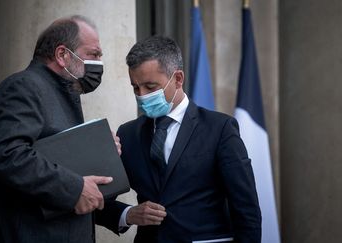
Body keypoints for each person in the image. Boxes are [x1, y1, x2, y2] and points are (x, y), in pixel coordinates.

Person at [97, 36, 261, 242]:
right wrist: (128, 214)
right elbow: (96, 200)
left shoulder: (220, 129)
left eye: (150, 86)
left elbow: (246, 209)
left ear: (178, 79)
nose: (142, 95)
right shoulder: (128, 134)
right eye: (135, 87)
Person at [0, 15, 116, 243]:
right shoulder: (24, 88)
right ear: (62, 55)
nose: (98, 63)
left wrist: (99, 151)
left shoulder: (57, 92)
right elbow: (8, 154)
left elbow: (53, 155)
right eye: (93, 54)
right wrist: (74, 188)